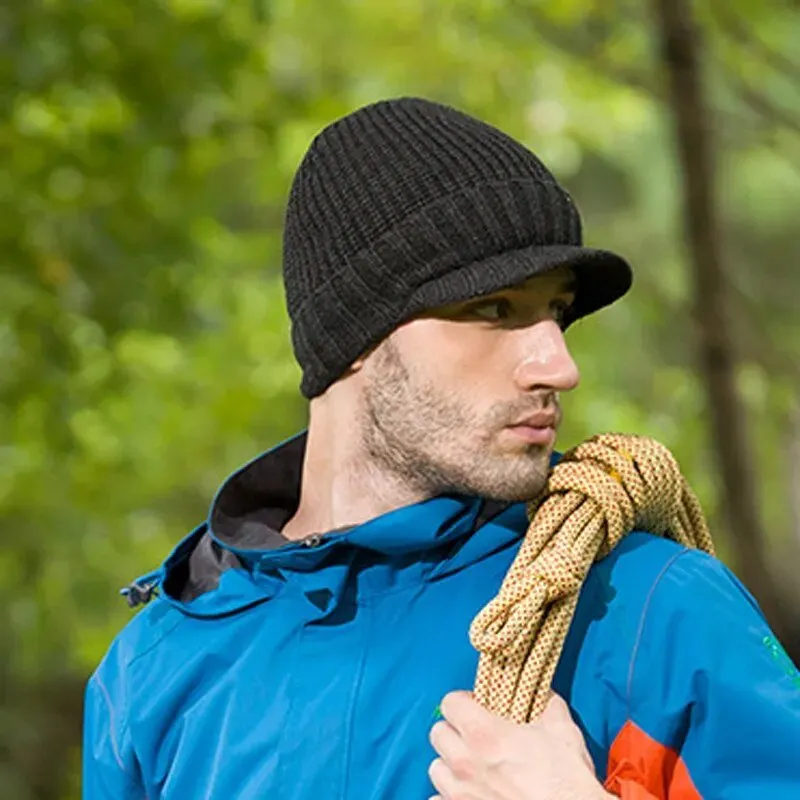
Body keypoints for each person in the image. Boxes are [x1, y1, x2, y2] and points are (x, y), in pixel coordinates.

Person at [83, 98, 800, 800]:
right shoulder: (153, 670)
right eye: (493, 309)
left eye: (556, 311)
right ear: (356, 337)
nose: (559, 366)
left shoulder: (650, 607)